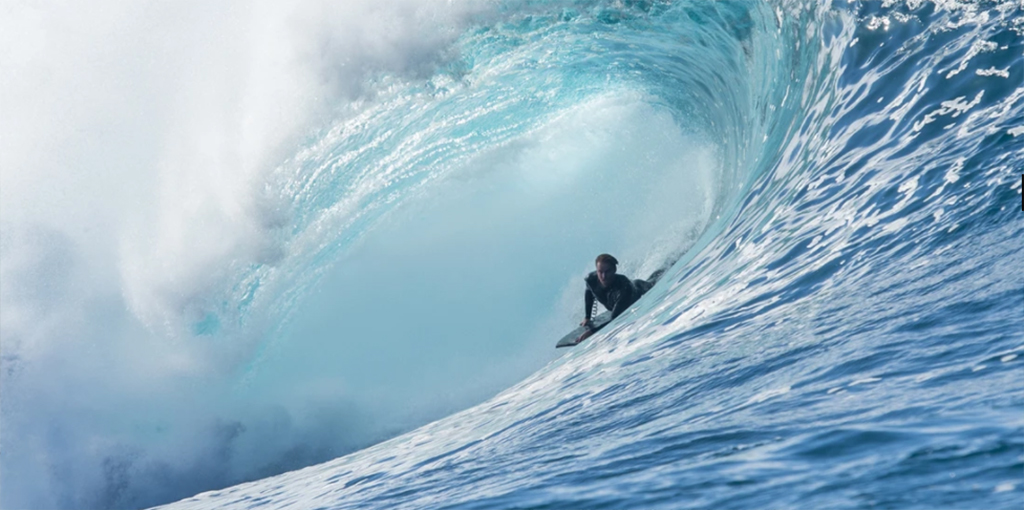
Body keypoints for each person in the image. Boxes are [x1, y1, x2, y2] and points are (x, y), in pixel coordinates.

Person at [576, 254, 662, 343]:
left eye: (607, 271)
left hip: (639, 289)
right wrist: (587, 317)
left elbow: (615, 319)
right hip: (619, 301)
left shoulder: (624, 288)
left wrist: (592, 332)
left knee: (655, 280)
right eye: (600, 272)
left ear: (614, 270)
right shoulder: (591, 279)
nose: (603, 276)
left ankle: (669, 263)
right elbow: (589, 291)